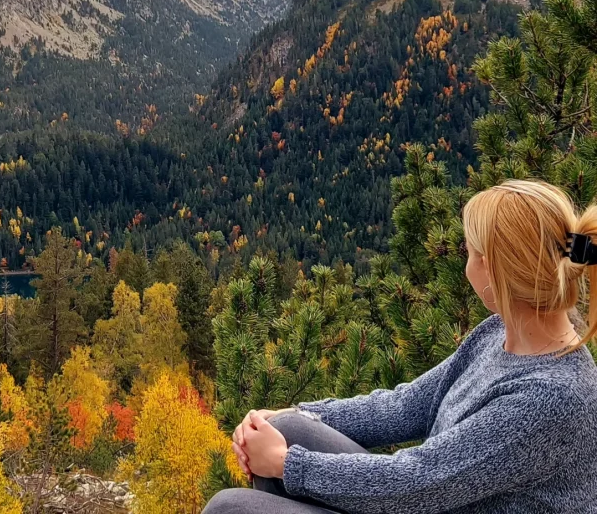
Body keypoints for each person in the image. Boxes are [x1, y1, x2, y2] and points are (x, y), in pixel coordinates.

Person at [204, 179, 597, 513]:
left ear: (496, 272)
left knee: (228, 509)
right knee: (286, 427)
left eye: (471, 253)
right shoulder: (502, 332)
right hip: (428, 497)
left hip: (423, 496)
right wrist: (296, 413)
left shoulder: (550, 399)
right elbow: (406, 405)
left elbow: (418, 481)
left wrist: (288, 465)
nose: (467, 265)